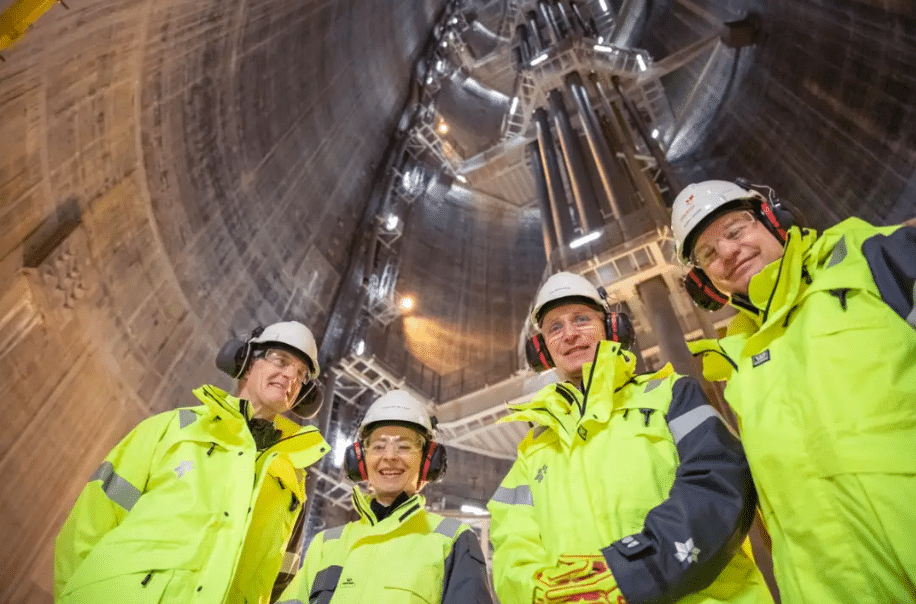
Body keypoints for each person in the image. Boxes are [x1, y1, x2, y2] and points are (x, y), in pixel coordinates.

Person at [671, 179, 916, 602]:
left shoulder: (873, 257)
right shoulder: (738, 361)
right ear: (704, 283)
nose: (728, 252)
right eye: (709, 254)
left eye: (735, 230)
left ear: (773, 219)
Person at [488, 271, 773, 604]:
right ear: (543, 349)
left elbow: (718, 485)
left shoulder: (670, 395)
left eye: (581, 320)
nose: (569, 335)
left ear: (612, 329)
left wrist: (633, 568)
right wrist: (544, 593)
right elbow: (512, 548)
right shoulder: (532, 453)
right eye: (555, 327)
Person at [54, 321, 330, 604]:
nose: (290, 376)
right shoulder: (173, 428)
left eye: (300, 374)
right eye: (280, 361)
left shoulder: (290, 486)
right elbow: (92, 518)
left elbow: (278, 585)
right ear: (247, 364)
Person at [277, 389, 493, 604]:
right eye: (379, 446)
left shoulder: (453, 540)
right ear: (360, 461)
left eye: (404, 446)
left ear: (428, 462)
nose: (390, 456)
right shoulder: (326, 543)